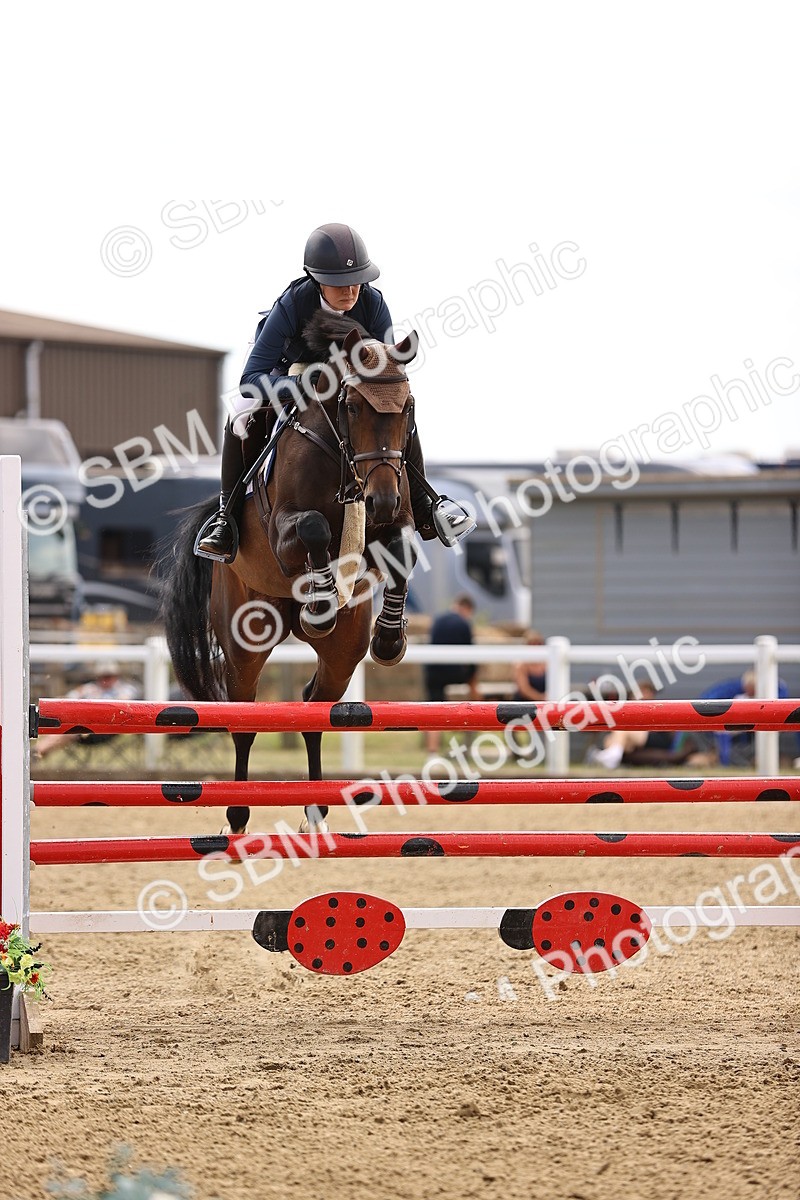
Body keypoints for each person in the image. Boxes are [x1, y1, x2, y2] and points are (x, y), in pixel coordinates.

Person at [196, 222, 468, 562]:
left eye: (357, 281)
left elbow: (383, 369)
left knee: (395, 407)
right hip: (291, 369)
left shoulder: (373, 302)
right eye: (339, 283)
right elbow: (251, 379)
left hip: (350, 377)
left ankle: (427, 506)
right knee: (240, 414)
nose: (351, 291)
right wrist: (301, 385)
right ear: (315, 277)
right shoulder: (293, 304)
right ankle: (227, 515)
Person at [585, 680, 710, 769]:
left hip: (656, 737)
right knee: (612, 738)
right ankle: (611, 756)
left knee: (621, 731)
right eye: (642, 691)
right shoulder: (630, 707)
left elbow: (665, 728)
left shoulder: (658, 707)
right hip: (637, 738)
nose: (644, 694)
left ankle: (609, 758)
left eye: (647, 692)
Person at [36, 661, 141, 760]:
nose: (106, 680)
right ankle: (37, 752)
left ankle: (37, 751)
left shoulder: (125, 690)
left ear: (116, 676)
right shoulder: (89, 688)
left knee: (71, 729)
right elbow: (66, 700)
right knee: (67, 726)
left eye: (109, 676)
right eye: (103, 676)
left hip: (109, 729)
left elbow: (126, 707)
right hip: (83, 727)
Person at [423, 595, 480, 755]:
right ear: (467, 609)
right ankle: (468, 742)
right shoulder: (464, 623)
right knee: (473, 700)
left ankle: (432, 752)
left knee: (433, 710)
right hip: (455, 674)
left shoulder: (438, 620)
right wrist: (472, 682)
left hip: (433, 672)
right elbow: (471, 657)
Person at [513, 630, 547, 701]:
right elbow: (524, 690)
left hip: (546, 703)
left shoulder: (547, 664)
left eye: (539, 644)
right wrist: (540, 699)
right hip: (524, 704)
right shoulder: (521, 665)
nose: (536, 647)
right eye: (532, 644)